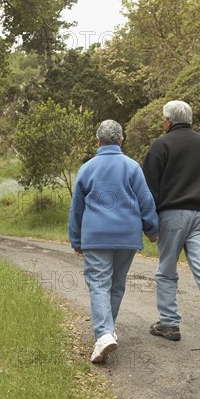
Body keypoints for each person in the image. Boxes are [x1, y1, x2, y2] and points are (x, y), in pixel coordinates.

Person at [142, 100, 200, 353]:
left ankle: (169, 324)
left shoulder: (160, 146)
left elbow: (150, 190)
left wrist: (150, 224)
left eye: (163, 120)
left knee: (166, 269)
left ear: (168, 121)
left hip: (172, 216)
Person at [68, 119, 159, 363]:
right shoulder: (132, 167)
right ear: (121, 140)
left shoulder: (87, 168)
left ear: (97, 141)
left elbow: (76, 208)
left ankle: (104, 334)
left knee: (98, 283)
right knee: (116, 284)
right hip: (126, 238)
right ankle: (107, 331)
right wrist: (152, 229)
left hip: (96, 237)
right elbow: (146, 200)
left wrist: (75, 239)